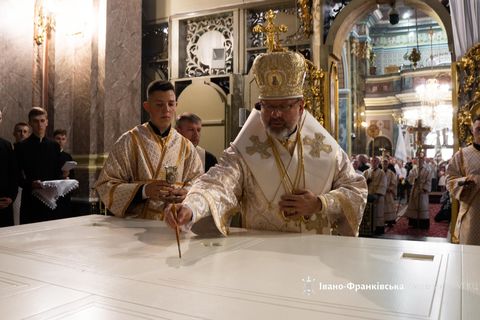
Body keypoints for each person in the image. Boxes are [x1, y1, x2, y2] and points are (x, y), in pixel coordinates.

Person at [165, 50, 367, 236]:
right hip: (261, 252)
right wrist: (191, 207)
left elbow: (355, 190)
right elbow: (218, 184)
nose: (275, 114)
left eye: (283, 106)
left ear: (301, 106)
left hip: (314, 250)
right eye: (267, 106)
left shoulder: (327, 149)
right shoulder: (243, 151)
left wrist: (320, 203)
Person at [95, 80, 203, 220]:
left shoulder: (185, 146)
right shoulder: (129, 141)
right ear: (147, 106)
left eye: (171, 104)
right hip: (137, 226)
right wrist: (144, 191)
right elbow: (106, 185)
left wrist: (186, 192)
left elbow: (199, 182)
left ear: (176, 105)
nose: (166, 110)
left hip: (174, 223)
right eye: (159, 105)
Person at [14, 107, 67, 224]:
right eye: (36, 121)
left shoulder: (54, 146)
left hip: (52, 200)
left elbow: (58, 173)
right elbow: (16, 176)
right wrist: (30, 184)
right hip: (31, 199)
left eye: (42, 121)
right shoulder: (21, 147)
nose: (40, 124)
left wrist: (64, 177)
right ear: (30, 123)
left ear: (47, 122)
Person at [446, 115, 480, 244]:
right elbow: (450, 179)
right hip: (472, 214)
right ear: (472, 131)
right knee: (471, 257)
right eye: (479, 129)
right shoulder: (462, 155)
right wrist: (465, 182)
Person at [0, 110, 18, 227]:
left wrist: (11, 197)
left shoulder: (6, 145)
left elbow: (13, 174)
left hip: (5, 203)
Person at [405, 156, 432, 229]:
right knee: (414, 206)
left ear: (423, 160)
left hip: (422, 191)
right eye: (418, 160)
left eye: (421, 160)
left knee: (422, 206)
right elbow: (409, 179)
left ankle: (423, 224)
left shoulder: (427, 170)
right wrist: (414, 180)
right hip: (415, 190)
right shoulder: (413, 170)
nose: (419, 161)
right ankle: (414, 222)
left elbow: (429, 181)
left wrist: (424, 189)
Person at [11, 122, 30, 225]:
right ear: (14, 133)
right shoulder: (9, 149)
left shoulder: (32, 151)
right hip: (15, 188)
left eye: (25, 132)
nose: (22, 134)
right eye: (19, 131)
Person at [363, 156, 387, 234]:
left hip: (378, 197)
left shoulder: (381, 172)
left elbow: (383, 184)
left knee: (378, 213)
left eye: (375, 161)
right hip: (368, 196)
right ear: (370, 162)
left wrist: (377, 194)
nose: (374, 162)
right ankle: (368, 228)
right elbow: (361, 184)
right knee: (368, 213)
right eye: (372, 161)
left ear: (378, 162)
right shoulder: (366, 172)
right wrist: (366, 181)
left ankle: (378, 229)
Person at [382, 158, 397, 227]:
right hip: (381, 193)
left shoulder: (391, 173)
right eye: (383, 164)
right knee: (381, 207)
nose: (384, 165)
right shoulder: (379, 172)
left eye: (386, 164)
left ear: (388, 164)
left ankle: (390, 221)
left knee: (389, 207)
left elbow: (394, 182)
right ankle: (382, 220)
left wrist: (390, 188)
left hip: (388, 193)